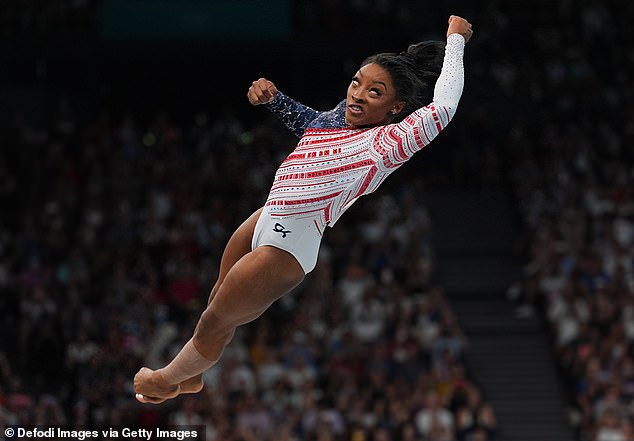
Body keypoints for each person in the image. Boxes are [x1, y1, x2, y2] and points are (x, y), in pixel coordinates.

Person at [134, 15, 473, 404]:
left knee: (216, 320)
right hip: (266, 216)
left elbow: (445, 107)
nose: (358, 94)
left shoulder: (388, 143)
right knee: (216, 303)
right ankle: (192, 377)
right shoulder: (336, 118)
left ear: (395, 107)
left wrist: (456, 41)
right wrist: (274, 99)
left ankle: (166, 380)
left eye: (374, 92)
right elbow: (309, 123)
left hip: (289, 245)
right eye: (356, 82)